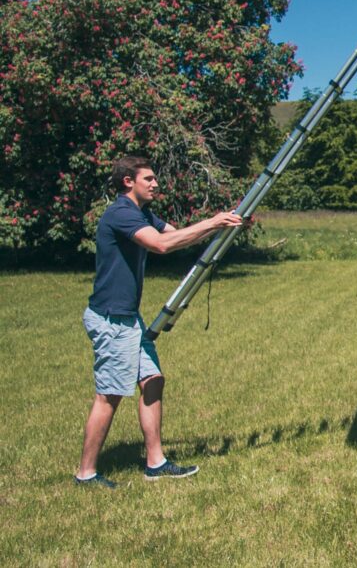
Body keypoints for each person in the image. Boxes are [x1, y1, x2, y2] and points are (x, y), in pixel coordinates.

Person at [75, 156, 243, 488]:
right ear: (128, 182)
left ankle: (156, 463)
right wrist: (212, 222)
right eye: (149, 179)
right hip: (112, 319)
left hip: (128, 318)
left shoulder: (141, 214)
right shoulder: (121, 213)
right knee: (109, 395)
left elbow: (179, 236)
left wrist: (229, 223)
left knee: (153, 379)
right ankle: (86, 473)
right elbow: (161, 245)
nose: (156, 184)